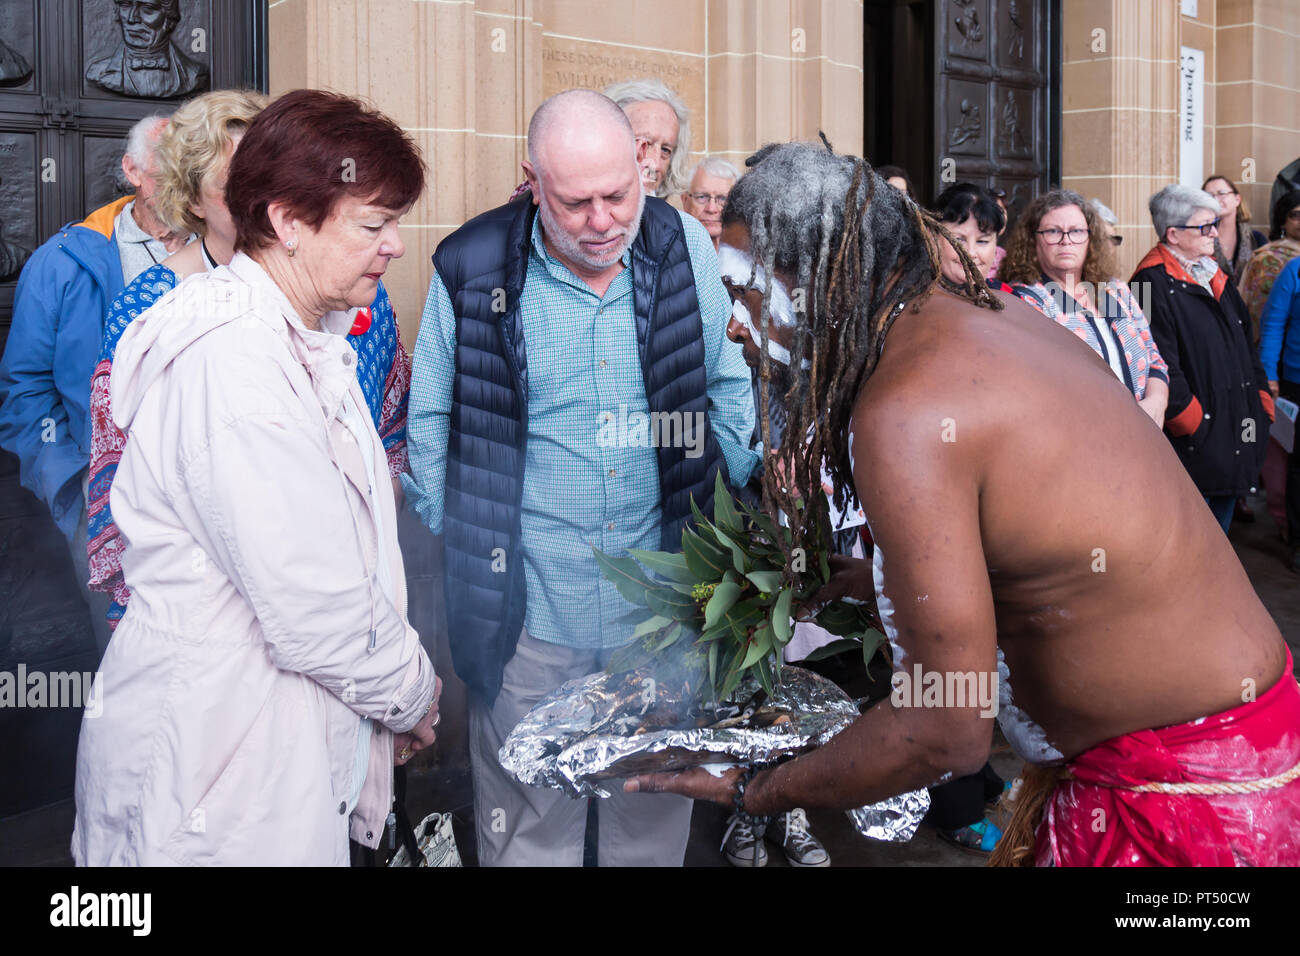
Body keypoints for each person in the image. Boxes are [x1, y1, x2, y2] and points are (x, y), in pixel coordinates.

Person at [624, 142, 1300, 868]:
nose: (734, 326)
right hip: (1220, 752)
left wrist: (756, 787)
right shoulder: (978, 317)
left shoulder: (906, 411)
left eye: (742, 292)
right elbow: (1034, 542)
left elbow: (942, 729)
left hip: (1185, 803)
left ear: (817, 281)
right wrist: (869, 583)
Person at [71, 89, 440, 866]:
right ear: (288, 220)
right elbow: (315, 602)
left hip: (267, 742)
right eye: (373, 223)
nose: (397, 247)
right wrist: (412, 692)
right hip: (215, 764)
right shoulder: (235, 364)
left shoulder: (300, 336)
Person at [404, 89, 757, 867]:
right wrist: (462, 533)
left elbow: (727, 384)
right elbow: (428, 423)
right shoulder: (470, 265)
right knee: (531, 828)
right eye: (576, 203)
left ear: (642, 167)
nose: (603, 221)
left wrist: (740, 516)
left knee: (650, 814)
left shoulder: (681, 247)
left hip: (659, 608)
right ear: (531, 181)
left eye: (618, 195)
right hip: (527, 612)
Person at [85, 90, 413, 634]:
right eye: (236, 188)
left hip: (350, 595)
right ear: (192, 201)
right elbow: (124, 472)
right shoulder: (153, 310)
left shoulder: (353, 296)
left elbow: (387, 426)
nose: (261, 202)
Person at [0, 112, 184, 655]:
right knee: (126, 651)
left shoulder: (229, 254)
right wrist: (71, 477)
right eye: (163, 170)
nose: (178, 185)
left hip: (207, 488)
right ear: (131, 170)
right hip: (104, 492)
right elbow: (26, 386)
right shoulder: (63, 260)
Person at [1133, 184, 1273, 534]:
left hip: (1236, 428)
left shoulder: (1214, 274)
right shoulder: (1146, 285)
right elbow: (1154, 360)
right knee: (1193, 543)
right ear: (1174, 234)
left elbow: (1246, 347)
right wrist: (1194, 424)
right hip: (1196, 440)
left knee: (1220, 542)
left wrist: (1262, 405)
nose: (1215, 232)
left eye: (1215, 223)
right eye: (1205, 226)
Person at [1000, 188, 1169, 426]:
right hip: (1080, 439)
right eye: (1053, 231)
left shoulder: (1115, 291)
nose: (1066, 240)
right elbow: (1037, 382)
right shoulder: (1028, 300)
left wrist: (1157, 400)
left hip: (1142, 436)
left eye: (1077, 231)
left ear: (1091, 238)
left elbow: (1154, 358)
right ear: (1033, 240)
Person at [1259, 251, 1300, 573]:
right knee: (1297, 465)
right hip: (1295, 382)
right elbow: (1273, 323)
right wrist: (1269, 374)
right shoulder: (1295, 270)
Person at [85, 0, 208, 99]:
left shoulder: (194, 75)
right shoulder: (98, 72)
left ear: (169, 18)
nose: (132, 18)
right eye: (125, 5)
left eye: (148, 8)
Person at [603, 79, 691, 199]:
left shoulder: (681, 218)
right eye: (644, 144)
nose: (655, 165)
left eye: (665, 150)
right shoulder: (572, 216)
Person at [1239, 188, 1300, 344]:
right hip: (1281, 349)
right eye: (1295, 215)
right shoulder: (1268, 260)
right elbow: (1260, 316)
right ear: (1282, 220)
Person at [1202, 174, 1266, 285]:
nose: (1216, 199)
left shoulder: (1256, 239)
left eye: (1221, 193)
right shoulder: (1199, 238)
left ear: (1237, 199)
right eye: (1209, 196)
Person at [681, 156, 740, 250]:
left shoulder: (752, 258)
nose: (711, 209)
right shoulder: (669, 254)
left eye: (723, 199)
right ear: (685, 201)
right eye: (702, 197)